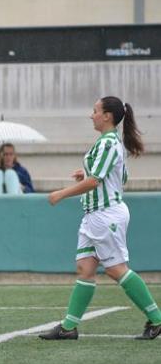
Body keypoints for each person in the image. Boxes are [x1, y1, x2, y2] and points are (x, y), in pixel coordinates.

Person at [40, 96, 161, 341]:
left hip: (106, 215)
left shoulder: (108, 143)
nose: (91, 114)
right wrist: (84, 172)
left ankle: (157, 320)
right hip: (95, 216)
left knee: (117, 270)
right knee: (85, 268)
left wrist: (61, 194)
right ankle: (68, 327)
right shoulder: (109, 142)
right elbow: (117, 176)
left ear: (107, 116)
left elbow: (96, 181)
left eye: (95, 110)